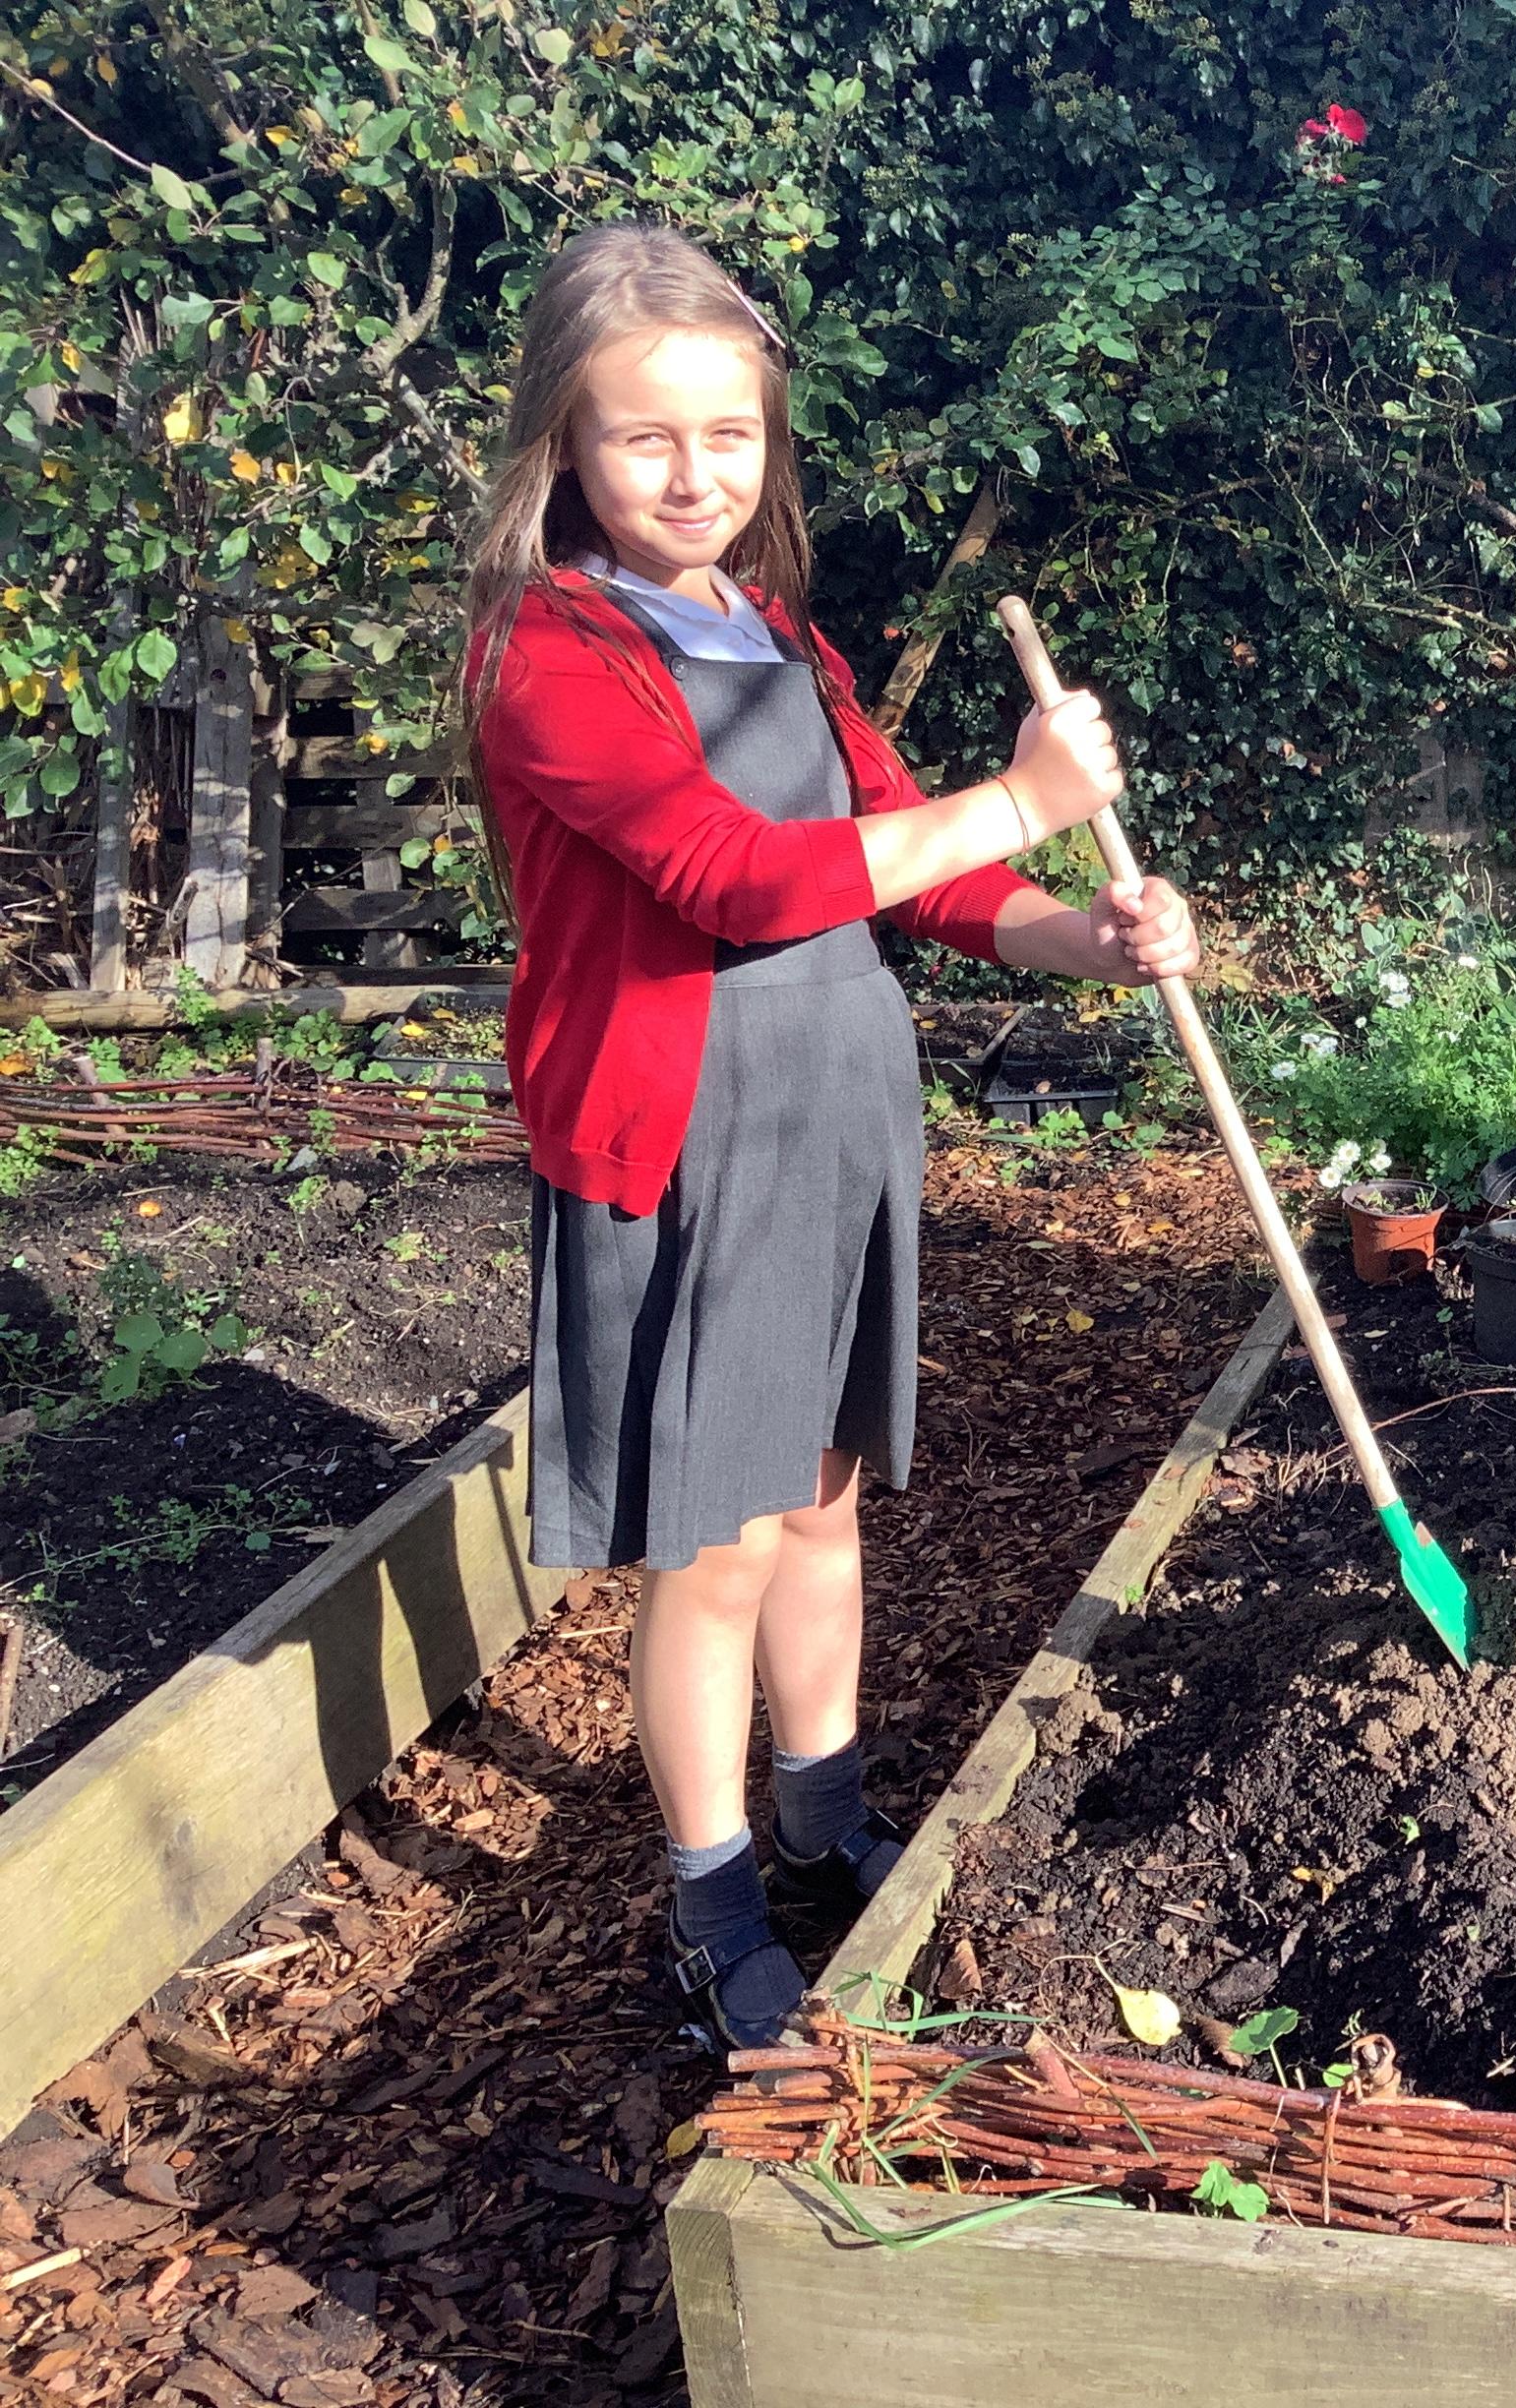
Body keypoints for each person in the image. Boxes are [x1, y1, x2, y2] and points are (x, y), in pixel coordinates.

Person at [460, 221, 1202, 2050]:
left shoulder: (778, 634)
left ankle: (820, 1810)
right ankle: (709, 1901)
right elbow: (735, 876)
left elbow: (916, 880)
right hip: (692, 1136)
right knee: (711, 1545)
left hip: (838, 1117)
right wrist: (1016, 797)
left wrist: (1085, 933)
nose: (694, 475)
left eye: (730, 434)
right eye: (645, 438)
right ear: (564, 447)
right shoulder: (551, 654)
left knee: (822, 1503)